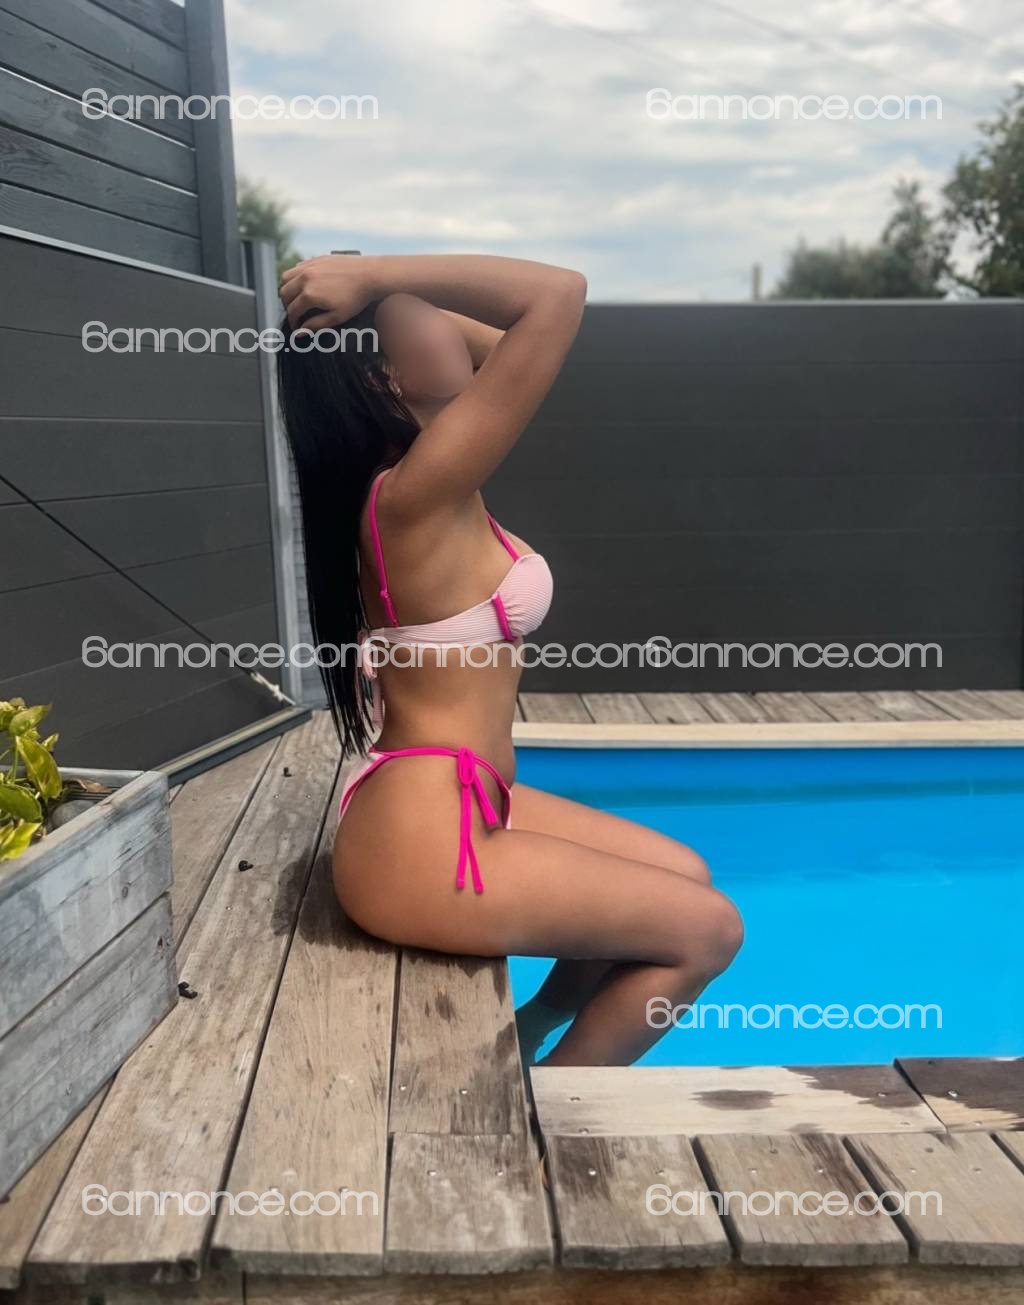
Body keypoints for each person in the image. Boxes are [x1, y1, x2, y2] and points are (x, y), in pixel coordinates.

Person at [277, 253, 742, 1066]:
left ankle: (534, 1030)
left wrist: (382, 294)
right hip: (422, 843)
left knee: (687, 871)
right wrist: (375, 277)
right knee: (709, 932)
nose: (439, 318)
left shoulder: (429, 471)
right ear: (387, 378)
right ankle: (548, 1115)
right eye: (416, 315)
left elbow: (511, 346)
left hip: (463, 800)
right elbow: (557, 297)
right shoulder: (414, 494)